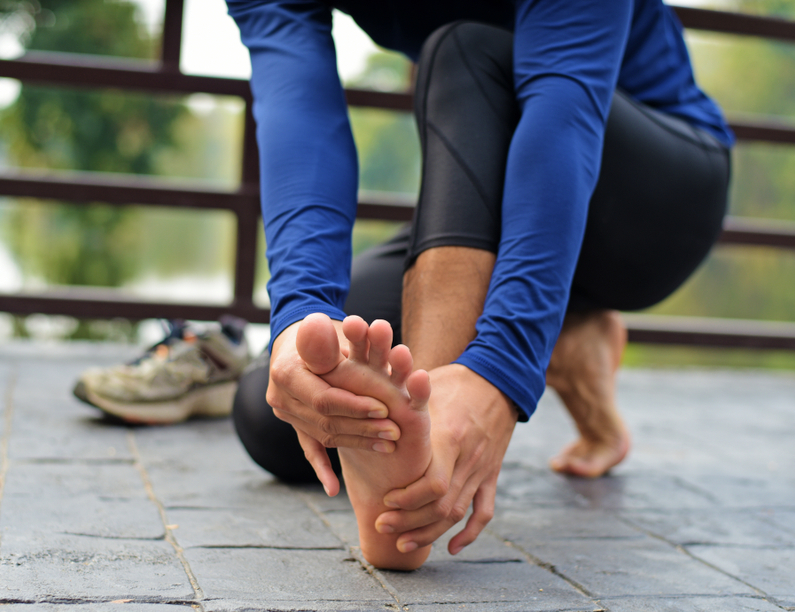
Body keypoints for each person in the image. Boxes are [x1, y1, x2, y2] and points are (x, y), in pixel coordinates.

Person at [228, 0, 733, 570]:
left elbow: (565, 109)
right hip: (501, 196)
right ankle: (567, 330)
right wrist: (301, 312)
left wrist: (503, 365)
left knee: (464, 49)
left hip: (650, 202)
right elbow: (298, 105)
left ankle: (425, 456)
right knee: (287, 414)